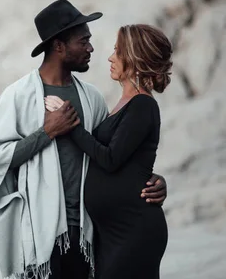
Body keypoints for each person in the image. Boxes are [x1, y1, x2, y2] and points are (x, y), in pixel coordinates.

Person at [0, 0, 167, 279]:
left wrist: (153, 179)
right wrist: (46, 133)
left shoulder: (92, 98)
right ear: (59, 46)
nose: (91, 48)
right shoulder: (19, 96)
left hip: (90, 235)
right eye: (83, 41)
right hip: (42, 233)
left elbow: (112, 153)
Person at [43, 24, 172, 279]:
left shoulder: (143, 105)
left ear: (134, 57)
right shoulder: (122, 104)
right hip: (111, 232)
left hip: (133, 229)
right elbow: (129, 159)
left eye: (118, 51)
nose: (111, 58)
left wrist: (71, 124)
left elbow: (111, 158)